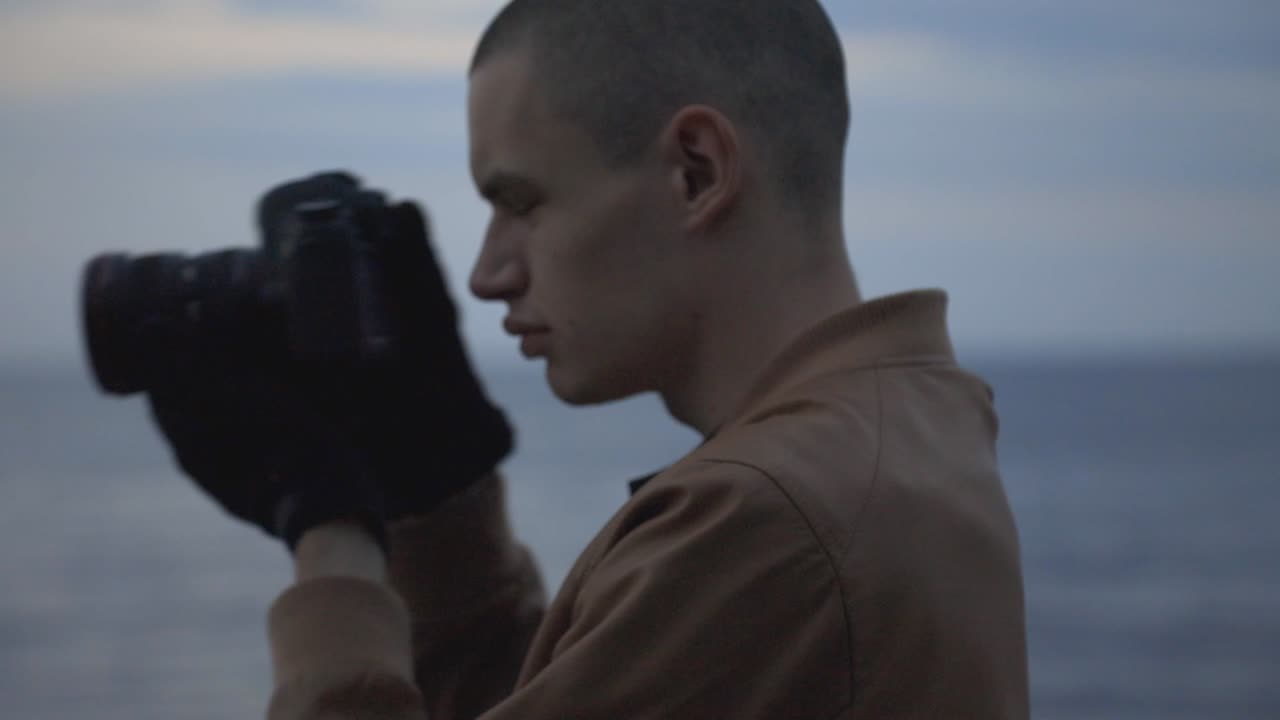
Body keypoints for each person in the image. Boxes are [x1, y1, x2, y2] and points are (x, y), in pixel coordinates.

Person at [145, 1, 1029, 718]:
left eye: (521, 202)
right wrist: (434, 497)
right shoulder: (912, 426)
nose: (489, 273)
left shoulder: (770, 521)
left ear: (696, 171)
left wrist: (331, 537)